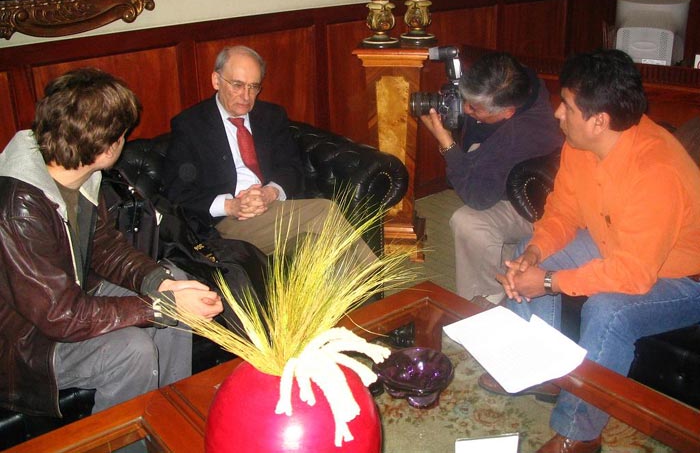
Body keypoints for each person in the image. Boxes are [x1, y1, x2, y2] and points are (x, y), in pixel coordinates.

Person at [486, 49, 700, 453]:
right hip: (615, 243)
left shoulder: (657, 171)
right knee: (528, 249)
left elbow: (633, 274)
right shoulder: (581, 146)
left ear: (599, 121)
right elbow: (563, 213)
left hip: (683, 280)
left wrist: (548, 282)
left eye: (567, 105)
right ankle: (540, 368)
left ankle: (579, 434)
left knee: (608, 311)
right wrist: (535, 254)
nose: (557, 113)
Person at [0, 68, 223, 418]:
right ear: (105, 145)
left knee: (177, 283)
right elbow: (59, 315)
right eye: (122, 133)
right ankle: (124, 438)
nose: (125, 139)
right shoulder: (20, 209)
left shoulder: (79, 175)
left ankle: (170, 416)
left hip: (73, 300)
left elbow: (105, 247)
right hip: (30, 338)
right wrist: (161, 306)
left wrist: (161, 284)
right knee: (132, 349)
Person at [163, 45, 376, 264]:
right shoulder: (190, 125)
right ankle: (377, 277)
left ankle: (364, 287)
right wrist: (232, 205)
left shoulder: (270, 116)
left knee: (314, 244)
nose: (246, 96)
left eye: (253, 87)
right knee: (325, 211)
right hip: (227, 222)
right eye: (237, 85)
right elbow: (176, 193)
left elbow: (292, 168)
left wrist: (269, 193)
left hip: (272, 208)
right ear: (216, 81)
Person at [419, 52, 562, 307]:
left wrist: (446, 144)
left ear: (507, 113)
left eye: (474, 108)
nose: (465, 109)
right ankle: (502, 263)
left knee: (469, 222)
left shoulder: (519, 134)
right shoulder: (518, 82)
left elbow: (477, 197)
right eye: (465, 99)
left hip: (541, 211)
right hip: (512, 177)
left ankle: (484, 301)